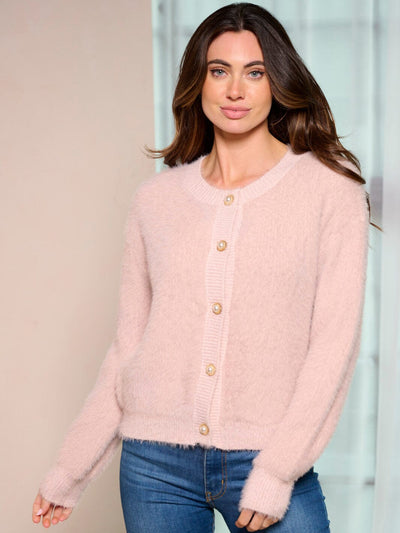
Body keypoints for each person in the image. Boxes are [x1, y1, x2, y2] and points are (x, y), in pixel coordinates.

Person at [32, 3, 378, 532]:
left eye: (254, 72)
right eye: (220, 71)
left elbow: (333, 347)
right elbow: (128, 350)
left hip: (266, 455)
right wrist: (70, 470)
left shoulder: (330, 190)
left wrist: (277, 471)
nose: (235, 90)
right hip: (154, 466)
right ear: (199, 82)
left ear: (277, 82)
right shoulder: (156, 201)